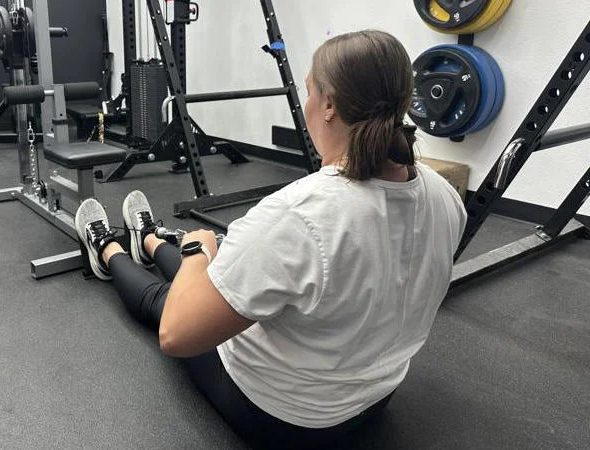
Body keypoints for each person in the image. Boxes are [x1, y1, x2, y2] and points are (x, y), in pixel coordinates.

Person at [73, 30, 467, 449]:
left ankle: (105, 248)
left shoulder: (299, 215)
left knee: (166, 300)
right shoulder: (444, 195)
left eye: (310, 90)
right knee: (207, 266)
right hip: (375, 397)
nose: (309, 102)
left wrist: (198, 251)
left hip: (285, 418)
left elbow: (176, 334)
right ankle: (150, 239)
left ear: (330, 105)